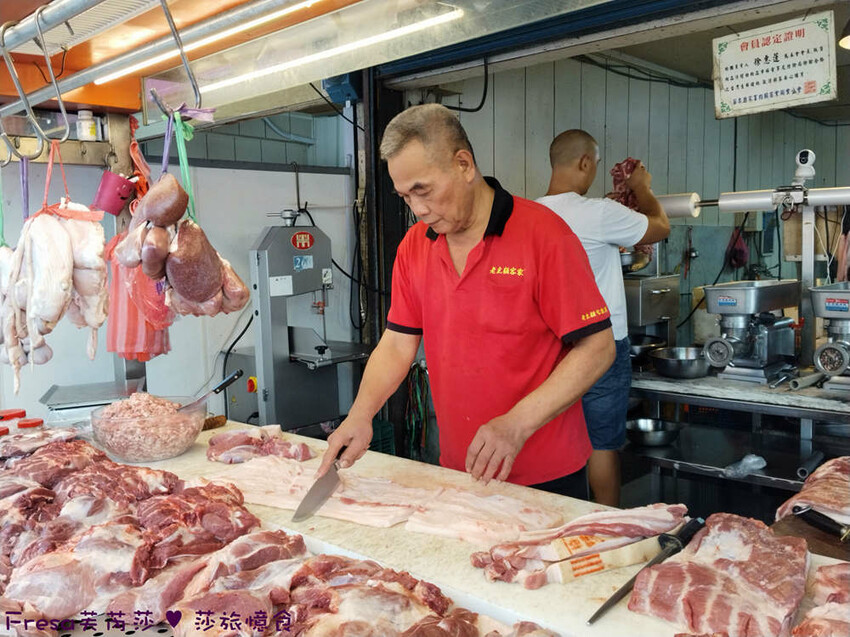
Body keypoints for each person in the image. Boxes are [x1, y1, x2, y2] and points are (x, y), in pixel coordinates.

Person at [317, 105, 615, 499]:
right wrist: (360, 414)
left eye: (423, 190)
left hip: (547, 475)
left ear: (464, 164)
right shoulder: (414, 247)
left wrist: (516, 424)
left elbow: (598, 347)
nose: (418, 210)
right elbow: (397, 343)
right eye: (406, 196)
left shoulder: (544, 236)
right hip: (461, 471)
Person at [536, 129, 670, 506]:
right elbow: (660, 226)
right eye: (594, 162)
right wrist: (641, 187)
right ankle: (607, 527)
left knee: (550, 438)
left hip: (548, 346)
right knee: (601, 443)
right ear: (584, 162)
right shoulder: (599, 212)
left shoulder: (526, 215)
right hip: (600, 345)